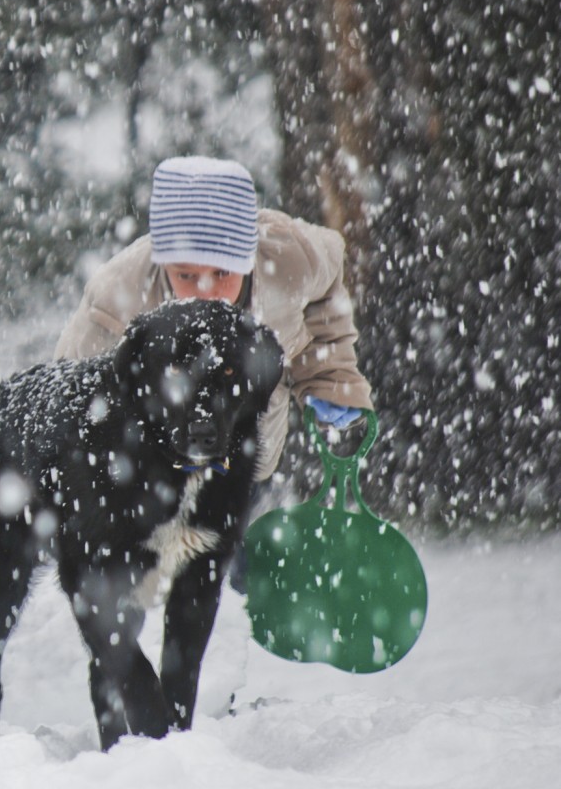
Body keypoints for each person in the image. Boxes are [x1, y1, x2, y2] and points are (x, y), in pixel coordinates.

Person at [54, 156, 373, 589]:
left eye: (222, 272)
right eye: (185, 274)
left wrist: (330, 376)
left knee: (242, 572)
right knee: (163, 580)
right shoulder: (119, 298)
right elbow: (71, 389)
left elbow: (326, 295)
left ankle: (247, 581)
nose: (205, 289)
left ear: (249, 257)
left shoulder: (290, 258)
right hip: (155, 470)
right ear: (163, 263)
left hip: (246, 455)